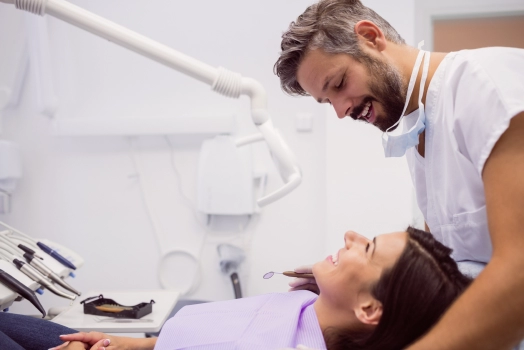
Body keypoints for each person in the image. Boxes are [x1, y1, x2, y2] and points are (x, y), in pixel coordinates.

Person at [273, 0, 524, 348]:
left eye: (339, 83)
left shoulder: (485, 87)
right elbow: (447, 263)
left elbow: (519, 274)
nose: (342, 111)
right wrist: (350, 285)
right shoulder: (421, 128)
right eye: (327, 101)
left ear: (371, 37)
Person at [2, 227, 470, 350]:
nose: (350, 235)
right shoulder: (307, 306)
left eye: (366, 248)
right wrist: (127, 344)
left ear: (370, 309)